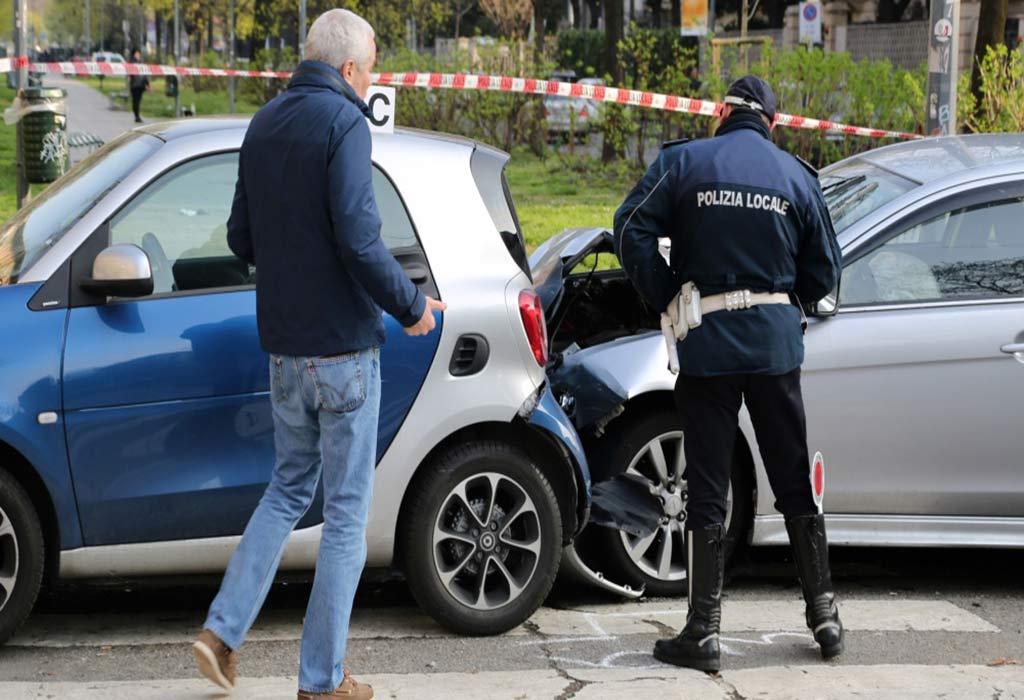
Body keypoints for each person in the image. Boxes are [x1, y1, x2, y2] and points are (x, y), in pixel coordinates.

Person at [191, 10, 446, 700]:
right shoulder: (344, 124)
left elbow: (242, 238)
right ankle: (321, 680)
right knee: (344, 518)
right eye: (369, 72)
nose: (370, 85)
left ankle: (220, 634)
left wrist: (290, 253)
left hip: (283, 351)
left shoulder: (263, 123)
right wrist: (414, 308)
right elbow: (362, 243)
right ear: (348, 70)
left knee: (286, 490)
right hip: (342, 353)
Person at [614, 75, 844, 672]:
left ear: (721, 114)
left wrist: (667, 294)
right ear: (773, 121)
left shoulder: (684, 163)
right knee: (793, 476)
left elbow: (629, 227)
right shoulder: (798, 177)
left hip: (708, 347)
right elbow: (824, 276)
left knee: (710, 487)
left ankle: (704, 632)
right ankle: (825, 615)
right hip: (774, 349)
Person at [128, 49, 150, 124]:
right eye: (136, 53)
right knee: (135, 101)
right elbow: (130, 74)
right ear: (134, 54)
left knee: (138, 100)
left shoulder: (141, 62)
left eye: (139, 53)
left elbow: (145, 74)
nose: (138, 55)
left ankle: (137, 115)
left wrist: (148, 84)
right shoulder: (131, 62)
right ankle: (136, 116)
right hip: (135, 84)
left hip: (141, 84)